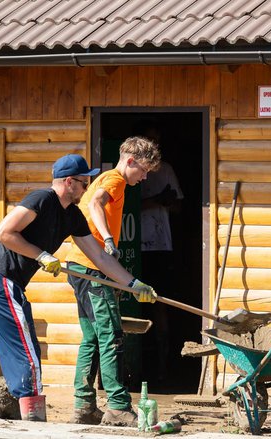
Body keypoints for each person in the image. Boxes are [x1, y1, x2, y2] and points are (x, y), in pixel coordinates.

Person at [0, 154, 158, 422]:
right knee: (26, 347)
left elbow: (99, 258)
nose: (87, 188)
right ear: (69, 182)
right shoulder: (41, 199)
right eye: (84, 183)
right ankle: (34, 422)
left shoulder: (73, 216)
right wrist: (40, 255)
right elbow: (4, 232)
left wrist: (133, 284)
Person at [64, 138, 161, 426]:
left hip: (79, 266)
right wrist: (107, 238)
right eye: (143, 170)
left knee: (92, 338)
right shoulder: (115, 179)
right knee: (112, 336)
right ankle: (118, 406)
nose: (144, 177)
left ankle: (83, 405)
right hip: (93, 269)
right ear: (130, 161)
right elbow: (95, 203)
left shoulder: (107, 179)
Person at [139, 160, 183, 383]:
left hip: (161, 245)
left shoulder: (166, 169)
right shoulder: (129, 175)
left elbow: (178, 207)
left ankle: (162, 368)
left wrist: (166, 202)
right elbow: (127, 206)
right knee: (135, 307)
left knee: (160, 305)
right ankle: (136, 367)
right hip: (133, 247)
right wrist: (155, 200)